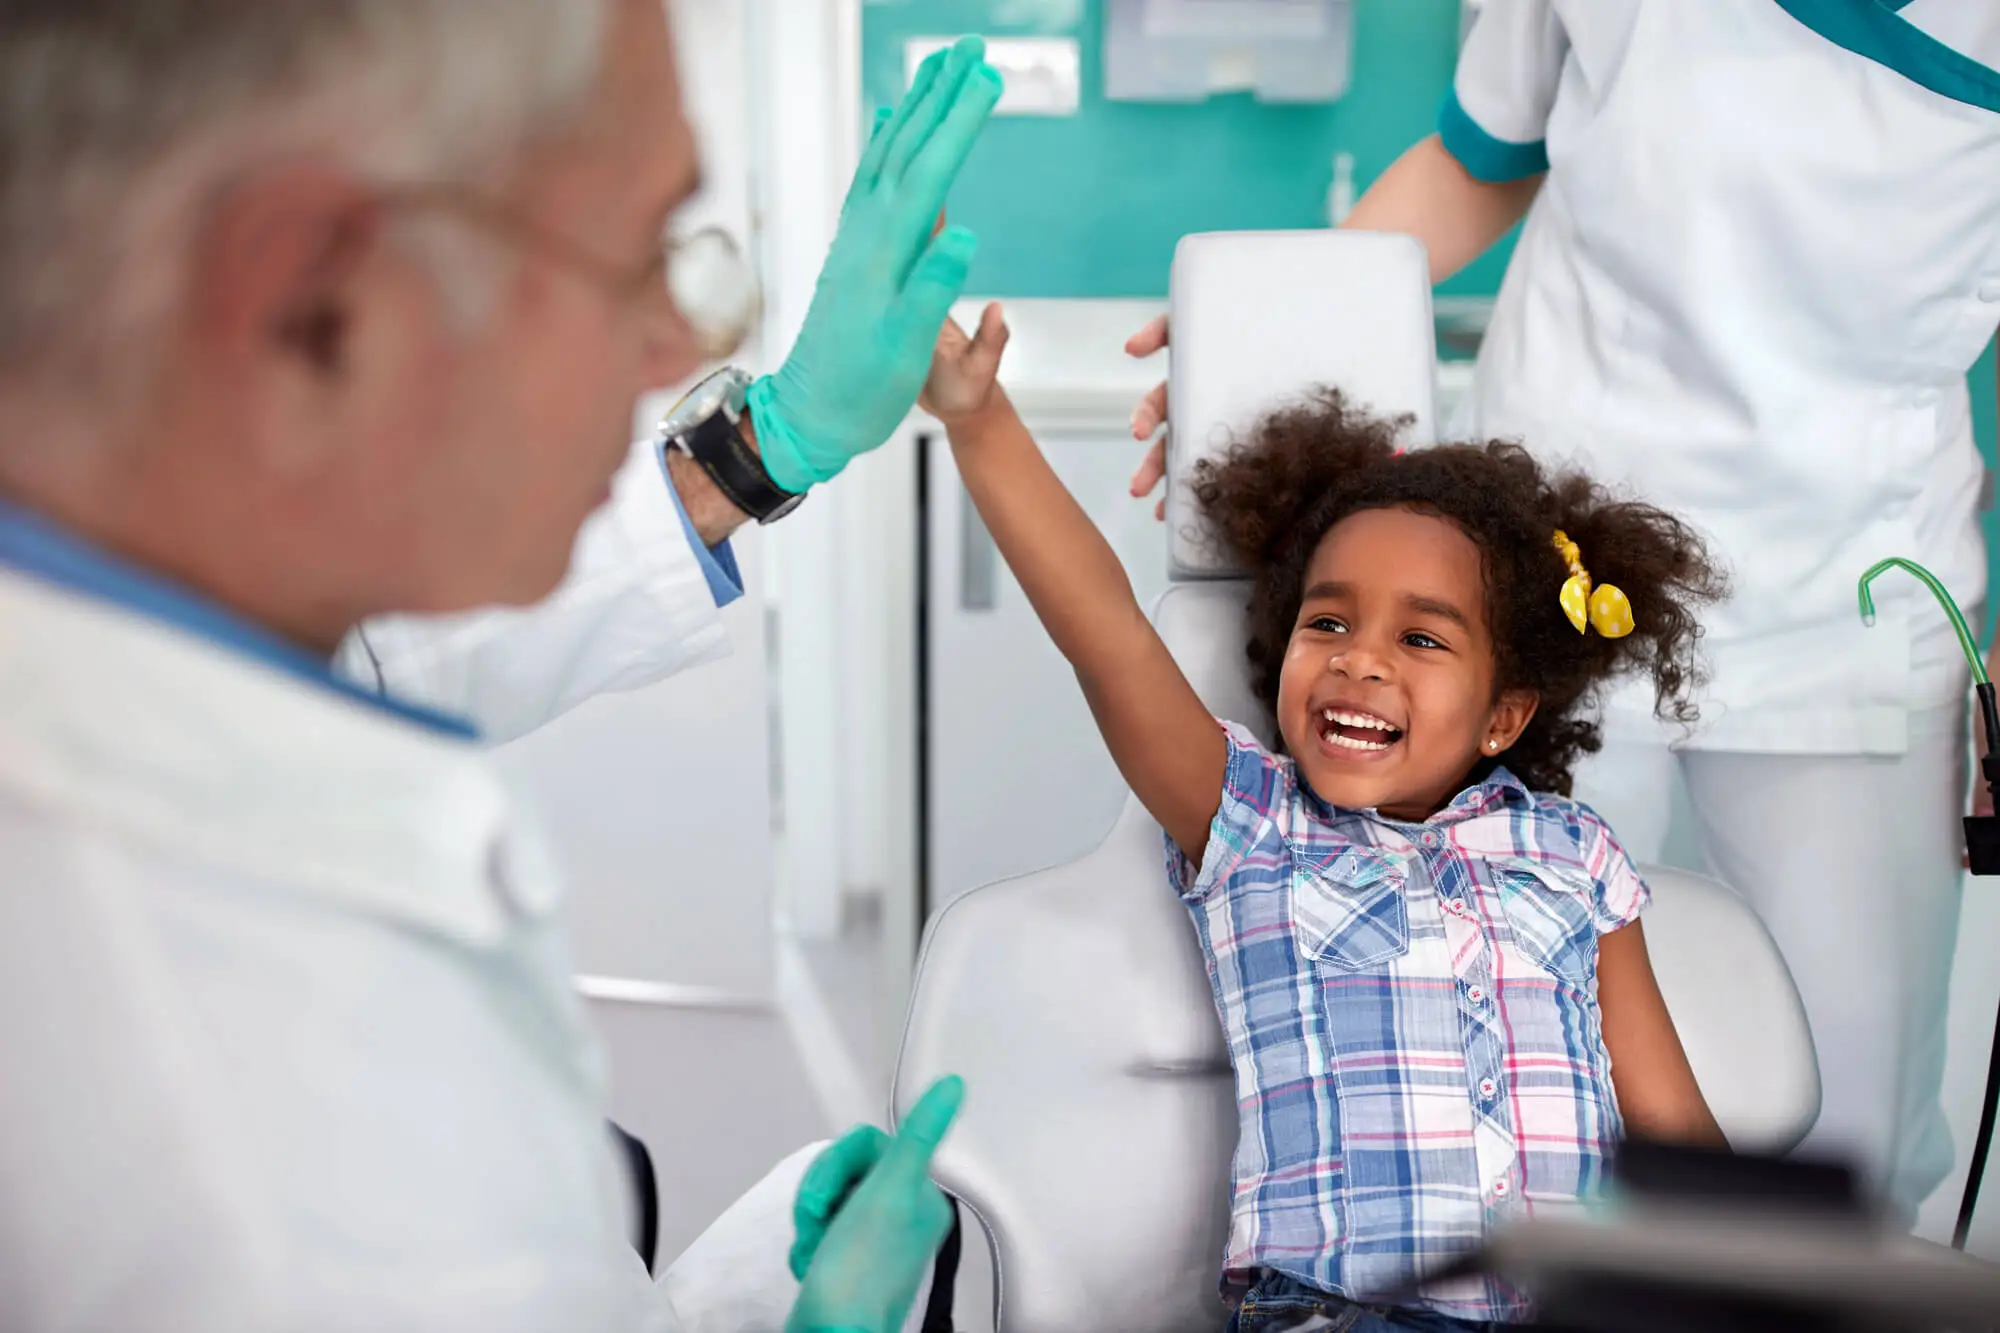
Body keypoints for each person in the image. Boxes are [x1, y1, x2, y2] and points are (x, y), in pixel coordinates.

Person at [0, 2, 998, 1329]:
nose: (679, 346)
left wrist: (773, 442)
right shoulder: (264, 1168)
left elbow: (390, 662)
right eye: (634, 254)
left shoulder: (149, 620)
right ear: (311, 300)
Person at [1123, 0, 2000, 1225]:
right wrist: (1267, 334)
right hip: (1545, 598)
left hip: (1849, 608)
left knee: (1847, 1145)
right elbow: (1476, 161)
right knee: (1488, 1073)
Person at [922, 304, 1727, 1327]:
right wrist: (979, 419)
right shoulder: (1251, 818)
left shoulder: (1572, 855)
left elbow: (1675, 1134)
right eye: (1327, 620)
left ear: (1504, 715)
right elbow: (1106, 636)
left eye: (1422, 639)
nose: (1358, 657)